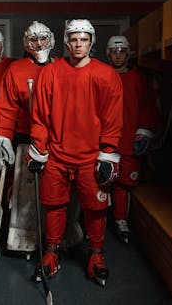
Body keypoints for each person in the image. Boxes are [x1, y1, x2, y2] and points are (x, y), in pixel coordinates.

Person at [28, 19, 123, 286]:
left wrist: (108, 152)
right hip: (57, 154)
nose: (78, 44)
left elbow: (113, 118)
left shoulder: (106, 75)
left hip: (91, 156)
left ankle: (96, 254)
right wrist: (39, 148)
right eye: (73, 39)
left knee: (95, 207)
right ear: (66, 41)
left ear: (91, 42)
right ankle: (51, 252)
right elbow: (40, 116)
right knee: (54, 204)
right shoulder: (50, 73)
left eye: (83, 39)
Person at [0, 21, 56, 255]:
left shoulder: (60, 68)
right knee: (23, 192)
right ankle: (22, 238)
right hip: (24, 138)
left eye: (43, 39)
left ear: (50, 39)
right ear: (26, 44)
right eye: (33, 40)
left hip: (55, 141)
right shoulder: (16, 70)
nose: (39, 44)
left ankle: (55, 239)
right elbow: (6, 108)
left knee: (54, 192)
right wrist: (3, 139)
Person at [106, 35, 158, 244]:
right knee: (97, 183)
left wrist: (143, 132)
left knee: (123, 185)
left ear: (128, 54)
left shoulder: (138, 78)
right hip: (104, 142)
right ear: (108, 53)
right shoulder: (102, 74)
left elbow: (147, 106)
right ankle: (93, 222)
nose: (118, 55)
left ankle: (120, 220)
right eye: (114, 51)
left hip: (127, 141)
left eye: (122, 51)